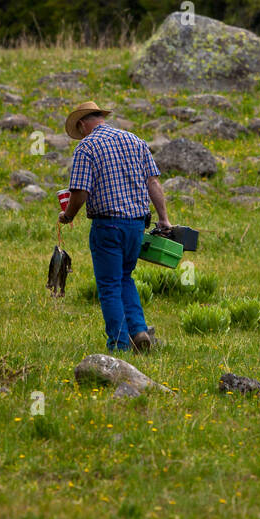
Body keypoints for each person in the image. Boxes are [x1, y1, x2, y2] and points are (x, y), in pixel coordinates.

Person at [58, 101, 171, 354]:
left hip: (107, 225)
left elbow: (80, 192)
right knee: (124, 277)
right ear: (101, 118)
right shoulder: (135, 140)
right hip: (136, 225)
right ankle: (139, 331)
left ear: (82, 123)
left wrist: (68, 215)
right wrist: (164, 219)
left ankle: (118, 345)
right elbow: (153, 181)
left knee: (108, 285)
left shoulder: (87, 146)